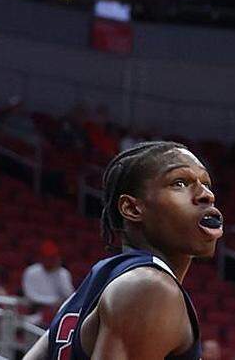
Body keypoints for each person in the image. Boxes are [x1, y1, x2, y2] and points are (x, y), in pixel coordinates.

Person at [21, 141, 223, 360]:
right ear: (132, 208)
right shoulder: (150, 288)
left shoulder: (99, 279)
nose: (206, 195)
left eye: (206, 184)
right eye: (180, 183)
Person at [21, 241, 73, 316]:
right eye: (49, 258)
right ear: (41, 258)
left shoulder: (63, 273)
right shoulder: (31, 271)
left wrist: (58, 274)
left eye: (54, 257)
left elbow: (69, 295)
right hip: (36, 309)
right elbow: (30, 295)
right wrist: (53, 302)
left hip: (57, 311)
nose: (51, 260)